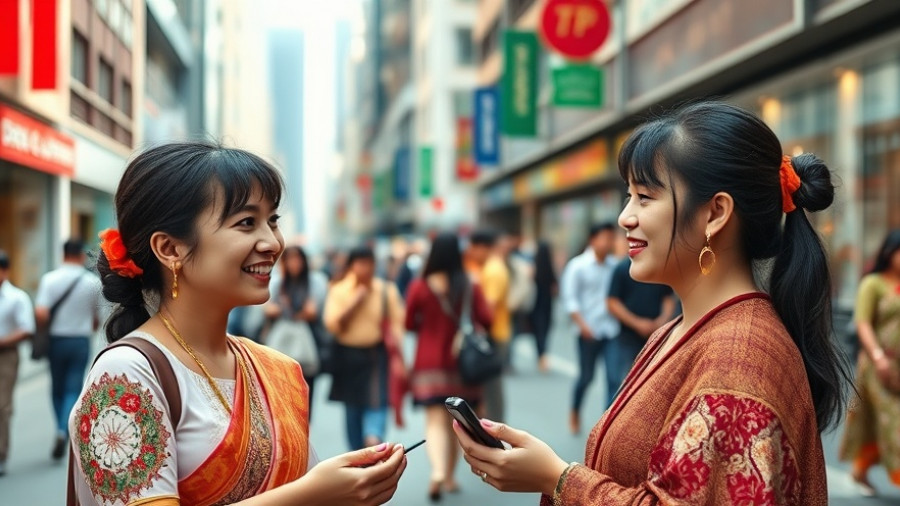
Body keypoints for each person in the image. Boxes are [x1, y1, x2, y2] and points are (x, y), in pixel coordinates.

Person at [452, 101, 849, 505]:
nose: (625, 217)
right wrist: (552, 475)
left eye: (644, 197)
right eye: (629, 196)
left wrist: (557, 478)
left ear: (715, 213)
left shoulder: (740, 359)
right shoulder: (681, 331)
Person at [68, 141, 406, 505]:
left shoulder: (276, 368)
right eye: (247, 222)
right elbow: (305, 492)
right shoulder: (125, 376)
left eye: (272, 221)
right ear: (170, 249)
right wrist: (315, 493)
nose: (273, 243)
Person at [404, 232, 493, 502]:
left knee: (434, 421)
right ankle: (450, 475)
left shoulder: (420, 286)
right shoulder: (470, 284)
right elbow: (487, 318)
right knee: (456, 421)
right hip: (461, 365)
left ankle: (439, 472)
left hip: (428, 363)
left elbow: (409, 323)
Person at [324, 246, 406, 451]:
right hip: (348, 356)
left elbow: (398, 324)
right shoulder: (339, 290)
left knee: (378, 400)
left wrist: (398, 356)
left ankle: (373, 438)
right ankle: (357, 453)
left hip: (376, 355)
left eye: (369, 263)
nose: (365, 268)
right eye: (360, 263)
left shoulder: (386, 290)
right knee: (352, 410)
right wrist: (356, 301)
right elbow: (332, 324)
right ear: (351, 266)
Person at [840, 229, 900, 496]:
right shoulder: (873, 284)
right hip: (879, 366)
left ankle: (860, 471)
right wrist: (878, 356)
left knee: (874, 421)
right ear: (890, 252)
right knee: (893, 420)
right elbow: (862, 322)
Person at [35, 239, 102, 461]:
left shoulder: (50, 279)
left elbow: (41, 313)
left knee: (57, 387)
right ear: (81, 255)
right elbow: (96, 319)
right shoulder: (92, 282)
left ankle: (60, 429)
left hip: (57, 341)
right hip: (80, 341)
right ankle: (65, 430)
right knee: (73, 387)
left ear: (63, 254)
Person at [560, 222, 620, 434]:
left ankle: (607, 426)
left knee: (614, 378)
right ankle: (575, 410)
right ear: (592, 239)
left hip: (610, 330)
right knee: (586, 377)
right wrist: (583, 326)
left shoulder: (614, 265)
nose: (609, 243)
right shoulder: (577, 266)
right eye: (605, 238)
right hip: (587, 331)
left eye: (612, 238)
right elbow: (570, 300)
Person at [263, 245, 329, 419]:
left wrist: (287, 311)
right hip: (281, 345)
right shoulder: (277, 283)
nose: (294, 263)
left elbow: (314, 312)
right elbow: (267, 309)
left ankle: (303, 430)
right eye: (289, 259)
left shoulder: (315, 282)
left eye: (297, 259)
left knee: (305, 398)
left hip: (308, 345)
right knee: (280, 397)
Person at [606, 255, 677, 398]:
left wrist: (661, 322)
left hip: (654, 337)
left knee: (647, 387)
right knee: (619, 385)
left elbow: (668, 298)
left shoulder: (659, 268)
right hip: (626, 337)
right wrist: (637, 323)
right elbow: (612, 303)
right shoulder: (623, 268)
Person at [464, 230, 510, 422]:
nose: (471, 253)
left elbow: (489, 307)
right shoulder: (491, 267)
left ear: (482, 247)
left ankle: (495, 430)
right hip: (495, 334)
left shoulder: (493, 270)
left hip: (494, 335)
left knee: (492, 390)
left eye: (473, 248)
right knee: (489, 390)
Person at [0, 250, 35, 477]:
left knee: (2, 405)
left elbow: (27, 329)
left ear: (5, 271)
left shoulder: (16, 297)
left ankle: (1, 454)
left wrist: (3, 341)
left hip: (6, 356)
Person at [529, 242, 557, 373]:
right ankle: (543, 356)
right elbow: (555, 289)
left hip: (535, 305)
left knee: (538, 332)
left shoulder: (534, 268)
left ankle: (540, 356)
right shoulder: (550, 269)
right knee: (545, 331)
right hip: (547, 305)